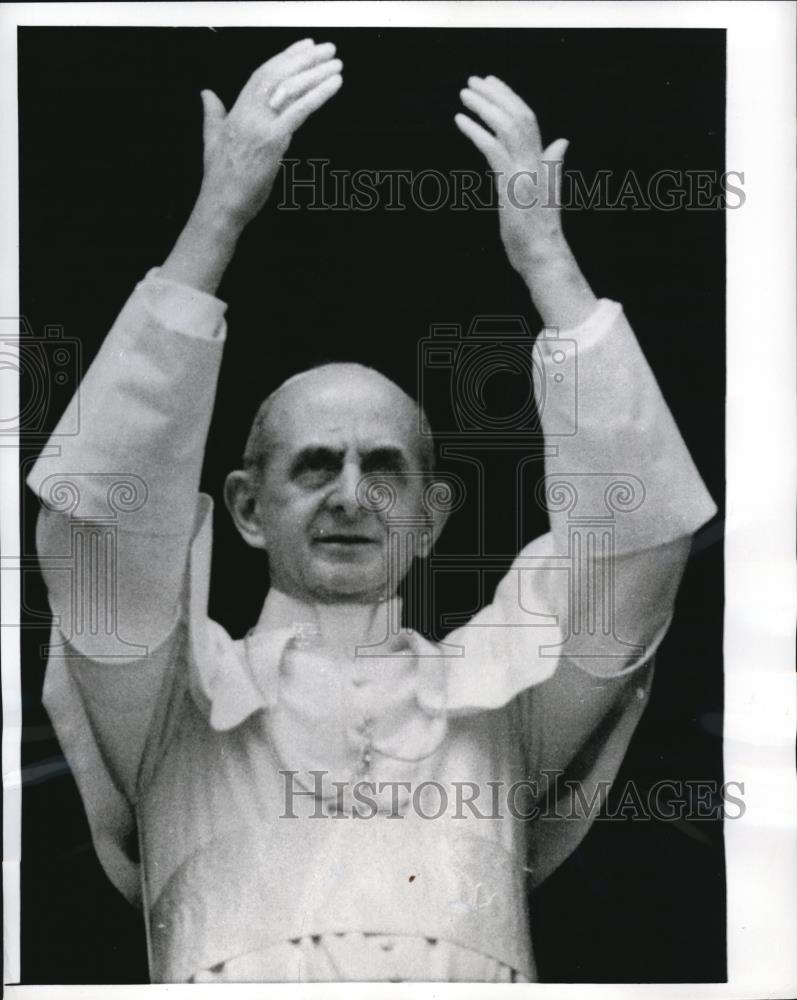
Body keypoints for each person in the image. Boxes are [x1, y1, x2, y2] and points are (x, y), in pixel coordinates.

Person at [28, 39, 716, 983]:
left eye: (383, 470)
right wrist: (217, 215)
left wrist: (545, 257)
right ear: (247, 507)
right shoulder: (170, 709)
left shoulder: (503, 711)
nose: (350, 496)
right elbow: (99, 527)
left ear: (431, 515)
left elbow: (642, 546)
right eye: (314, 467)